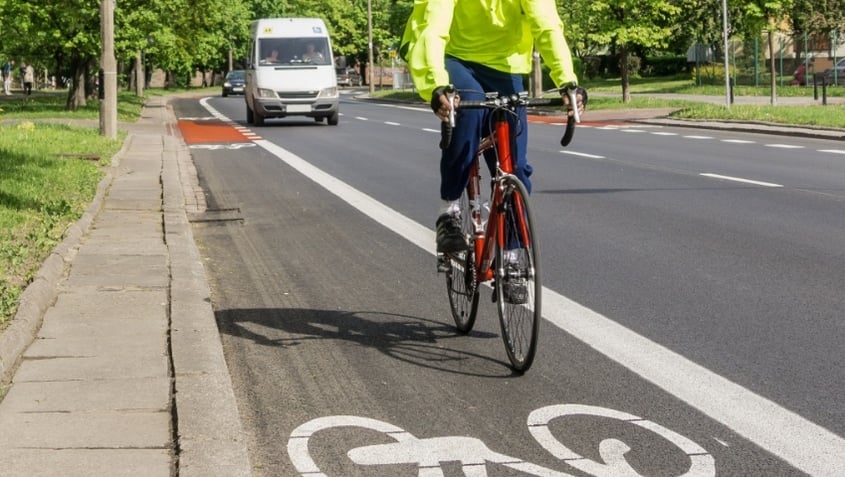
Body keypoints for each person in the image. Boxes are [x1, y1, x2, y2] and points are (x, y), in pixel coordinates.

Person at [400, 0, 586, 253]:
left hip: (506, 66)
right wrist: (437, 84)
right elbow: (433, 26)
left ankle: (512, 256)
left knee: (516, 167)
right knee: (469, 109)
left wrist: (568, 81)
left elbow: (547, 25)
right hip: (457, 59)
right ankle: (450, 211)